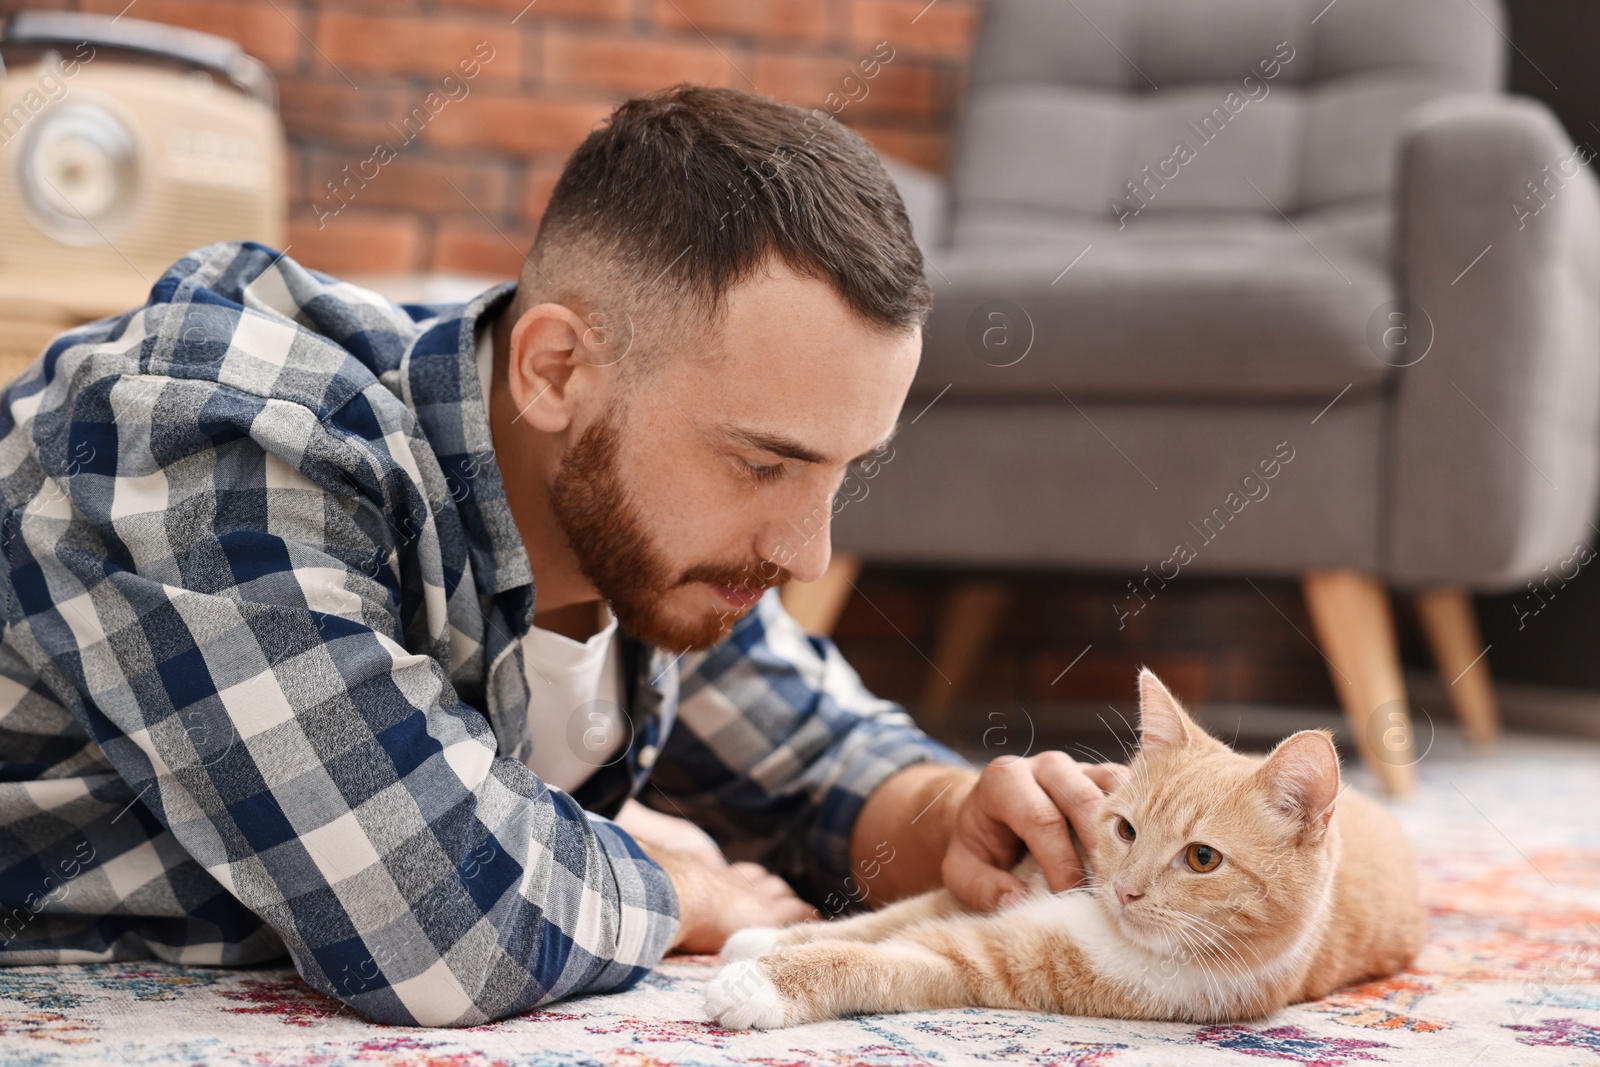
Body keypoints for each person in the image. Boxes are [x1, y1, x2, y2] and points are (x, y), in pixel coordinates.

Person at [0, 84, 1121, 1026]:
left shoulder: (633, 524)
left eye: (844, 472)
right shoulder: (219, 428)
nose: (809, 550)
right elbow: (433, 917)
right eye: (763, 463)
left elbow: (820, 762)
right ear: (552, 372)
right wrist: (675, 888)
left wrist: (963, 814)